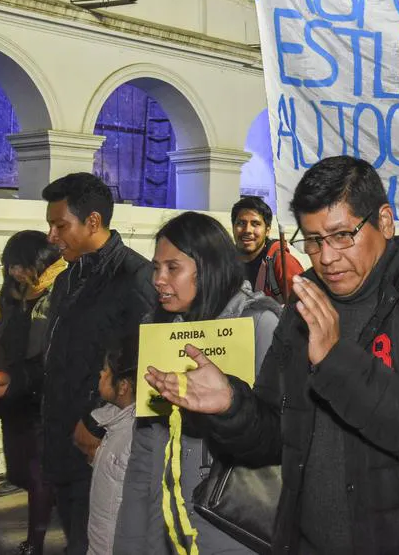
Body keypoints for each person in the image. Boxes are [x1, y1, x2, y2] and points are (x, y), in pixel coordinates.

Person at [143, 156, 399, 554]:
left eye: (342, 235)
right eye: (312, 240)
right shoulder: (307, 296)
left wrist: (335, 359)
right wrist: (231, 405)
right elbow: (276, 434)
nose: (325, 257)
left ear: (385, 221)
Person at [0, 173, 155, 555]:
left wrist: (94, 424)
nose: (52, 237)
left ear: (92, 222)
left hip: (101, 451)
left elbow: (142, 373)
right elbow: (58, 359)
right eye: (50, 226)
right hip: (62, 447)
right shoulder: (70, 279)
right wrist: (13, 380)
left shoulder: (136, 279)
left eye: (60, 225)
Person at [114, 211, 282, 554]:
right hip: (166, 523)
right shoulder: (158, 332)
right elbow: (146, 448)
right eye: (156, 267)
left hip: (234, 525)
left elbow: (279, 433)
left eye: (172, 268)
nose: (158, 280)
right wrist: (131, 541)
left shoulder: (260, 325)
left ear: (208, 268)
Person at [0, 231, 65, 555]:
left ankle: (35, 543)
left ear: (38, 263)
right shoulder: (5, 298)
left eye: (20, 266)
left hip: (45, 397)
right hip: (10, 395)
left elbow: (56, 355)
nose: (14, 273)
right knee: (22, 471)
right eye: (9, 266)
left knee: (39, 472)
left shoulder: (59, 294)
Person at [88, 335, 137, 555]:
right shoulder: (113, 425)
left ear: (123, 386)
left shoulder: (132, 436)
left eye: (105, 371)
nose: (100, 374)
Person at [231, 195, 304, 302]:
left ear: (268, 230)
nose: (247, 230)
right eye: (241, 223)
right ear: (233, 227)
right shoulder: (224, 263)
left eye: (255, 224)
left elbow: (303, 306)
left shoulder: (282, 262)